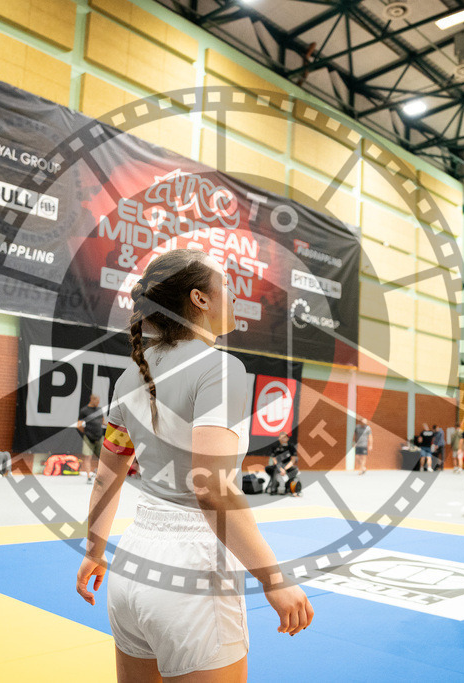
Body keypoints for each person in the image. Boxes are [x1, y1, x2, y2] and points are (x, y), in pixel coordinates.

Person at [75, 249, 312, 681]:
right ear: (201, 299)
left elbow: (107, 477)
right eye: (228, 286)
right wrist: (274, 579)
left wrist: (95, 550)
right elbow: (211, 487)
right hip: (192, 571)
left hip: (132, 563)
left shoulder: (131, 376)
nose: (235, 295)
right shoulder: (220, 369)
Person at [77, 394, 105, 484]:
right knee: (88, 457)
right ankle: (89, 476)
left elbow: (103, 422)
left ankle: (100, 475)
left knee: (102, 457)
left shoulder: (99, 410)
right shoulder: (84, 410)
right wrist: (86, 432)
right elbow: (79, 425)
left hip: (99, 437)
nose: (98, 403)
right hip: (88, 438)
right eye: (97, 401)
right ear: (92, 399)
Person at [265, 432, 300, 496]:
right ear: (279, 438)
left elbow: (293, 460)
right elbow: (274, 460)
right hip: (278, 466)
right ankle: (274, 488)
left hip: (287, 465)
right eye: (281, 437)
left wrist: (285, 469)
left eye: (284, 437)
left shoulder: (291, 447)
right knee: (274, 470)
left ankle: (289, 487)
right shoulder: (275, 447)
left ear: (287, 438)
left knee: (295, 470)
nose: (283, 439)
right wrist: (280, 469)